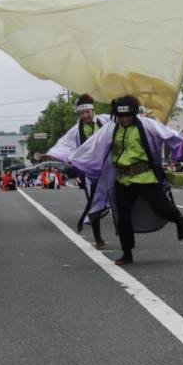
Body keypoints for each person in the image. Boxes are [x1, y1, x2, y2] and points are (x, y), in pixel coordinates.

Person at [70, 94, 183, 266]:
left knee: (162, 208)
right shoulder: (111, 128)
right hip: (123, 179)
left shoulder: (147, 125)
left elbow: (170, 135)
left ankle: (178, 219)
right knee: (122, 216)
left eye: (127, 115)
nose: (124, 119)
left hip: (145, 176)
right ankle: (127, 253)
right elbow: (93, 144)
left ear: (133, 113)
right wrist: (74, 157)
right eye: (121, 116)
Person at [46, 94, 110, 249]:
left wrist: (139, 116)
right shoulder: (76, 130)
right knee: (93, 203)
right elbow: (64, 144)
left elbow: (122, 120)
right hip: (89, 171)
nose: (85, 115)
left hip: (108, 166)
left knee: (116, 199)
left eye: (87, 112)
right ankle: (98, 238)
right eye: (82, 113)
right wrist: (52, 153)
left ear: (93, 110)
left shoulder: (105, 120)